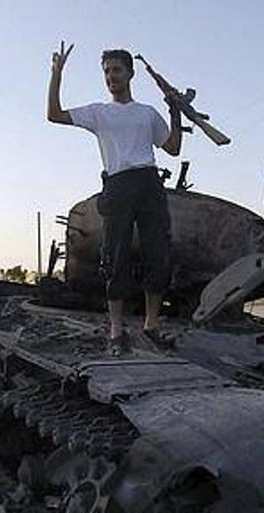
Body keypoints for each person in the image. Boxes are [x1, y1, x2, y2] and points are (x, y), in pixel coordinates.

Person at [47, 41, 182, 355]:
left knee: (157, 254)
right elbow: (54, 114)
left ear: (130, 74)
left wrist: (175, 111)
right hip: (118, 186)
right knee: (115, 257)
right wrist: (57, 75)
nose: (111, 76)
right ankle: (116, 332)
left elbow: (172, 148)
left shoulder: (147, 113)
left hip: (149, 182)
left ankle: (151, 326)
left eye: (117, 70)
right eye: (107, 71)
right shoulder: (98, 112)